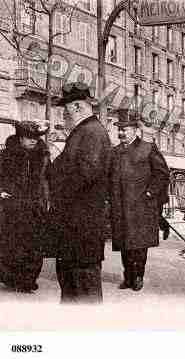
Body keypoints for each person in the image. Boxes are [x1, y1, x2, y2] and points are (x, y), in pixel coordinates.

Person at [49, 82, 112, 304]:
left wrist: (56, 169)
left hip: (82, 227)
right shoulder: (86, 132)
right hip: (76, 227)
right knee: (73, 287)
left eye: (65, 110)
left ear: (77, 107)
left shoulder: (91, 133)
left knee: (84, 291)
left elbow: (85, 174)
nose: (64, 114)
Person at [110, 109, 170, 291]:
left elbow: (162, 174)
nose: (121, 133)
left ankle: (137, 277)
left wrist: (150, 193)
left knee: (139, 244)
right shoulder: (115, 152)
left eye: (125, 129)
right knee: (124, 243)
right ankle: (127, 277)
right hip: (120, 206)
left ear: (135, 130)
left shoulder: (147, 148)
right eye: (119, 129)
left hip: (141, 206)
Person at [0, 122, 49, 293]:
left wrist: (46, 200)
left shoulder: (42, 156)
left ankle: (28, 280)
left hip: (35, 208)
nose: (34, 140)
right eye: (29, 137)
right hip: (13, 207)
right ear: (20, 138)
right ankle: (11, 278)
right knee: (12, 243)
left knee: (34, 244)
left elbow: (47, 180)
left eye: (36, 137)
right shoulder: (7, 155)